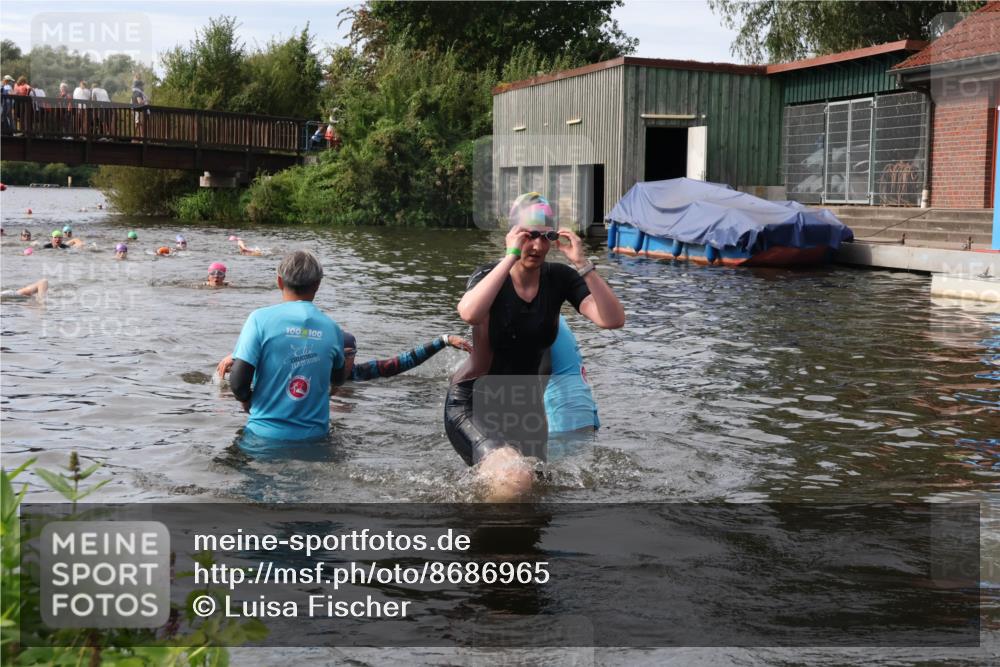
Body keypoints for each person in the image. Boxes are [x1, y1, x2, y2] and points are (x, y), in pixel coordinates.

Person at [445, 192, 625, 500]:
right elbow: (469, 313)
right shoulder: (489, 275)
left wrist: (583, 264)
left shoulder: (560, 278)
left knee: (531, 499)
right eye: (529, 236)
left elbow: (612, 319)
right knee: (513, 480)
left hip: (527, 411)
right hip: (474, 404)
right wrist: (510, 257)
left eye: (545, 237)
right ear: (513, 234)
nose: (538, 246)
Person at [225, 250, 347, 445]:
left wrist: (246, 400)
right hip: (316, 440)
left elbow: (238, 382)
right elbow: (338, 379)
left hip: (263, 438)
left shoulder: (259, 319)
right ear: (318, 284)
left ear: (279, 281)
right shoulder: (333, 329)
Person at [217, 332, 472, 384]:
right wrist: (240, 359)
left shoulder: (362, 373)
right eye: (342, 355)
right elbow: (275, 365)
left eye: (352, 355)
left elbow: (404, 361)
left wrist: (443, 340)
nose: (347, 361)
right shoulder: (311, 373)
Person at [543, 316, 600, 439]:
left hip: (561, 419)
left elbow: (544, 369)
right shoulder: (553, 314)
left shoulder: (531, 315)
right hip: (587, 413)